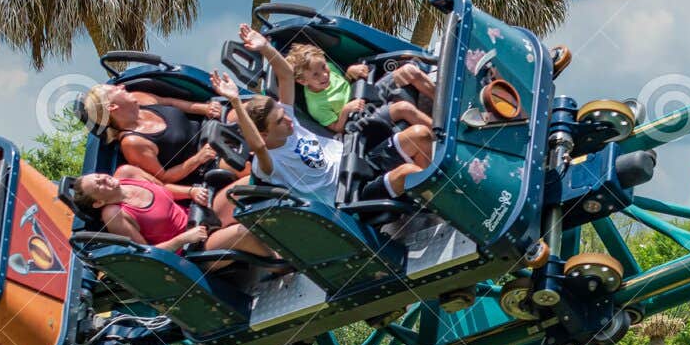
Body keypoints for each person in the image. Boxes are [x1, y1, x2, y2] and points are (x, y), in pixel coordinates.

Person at [223, 35, 433, 206]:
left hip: (357, 156)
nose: (288, 118)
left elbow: (285, 75)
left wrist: (265, 47)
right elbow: (258, 146)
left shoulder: (290, 124)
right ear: (264, 134)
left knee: (421, 135)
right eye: (279, 120)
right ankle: (435, 200)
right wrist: (235, 102)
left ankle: (429, 198)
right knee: (409, 172)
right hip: (350, 192)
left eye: (283, 113)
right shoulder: (268, 163)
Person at [70, 164, 273, 258]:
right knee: (243, 233)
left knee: (247, 185)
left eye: (99, 176)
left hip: (200, 215)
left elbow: (164, 188)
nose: (103, 179)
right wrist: (184, 239)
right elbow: (148, 254)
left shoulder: (126, 173)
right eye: (98, 185)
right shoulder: (114, 215)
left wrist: (191, 192)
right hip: (192, 246)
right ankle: (282, 262)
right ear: (98, 202)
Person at [82, 84, 222, 184]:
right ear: (112, 107)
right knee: (240, 164)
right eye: (116, 89)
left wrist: (205, 109)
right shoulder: (132, 142)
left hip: (209, 128)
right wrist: (199, 158)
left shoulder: (139, 97)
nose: (122, 86)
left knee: (241, 111)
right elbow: (163, 178)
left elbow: (171, 102)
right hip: (205, 162)